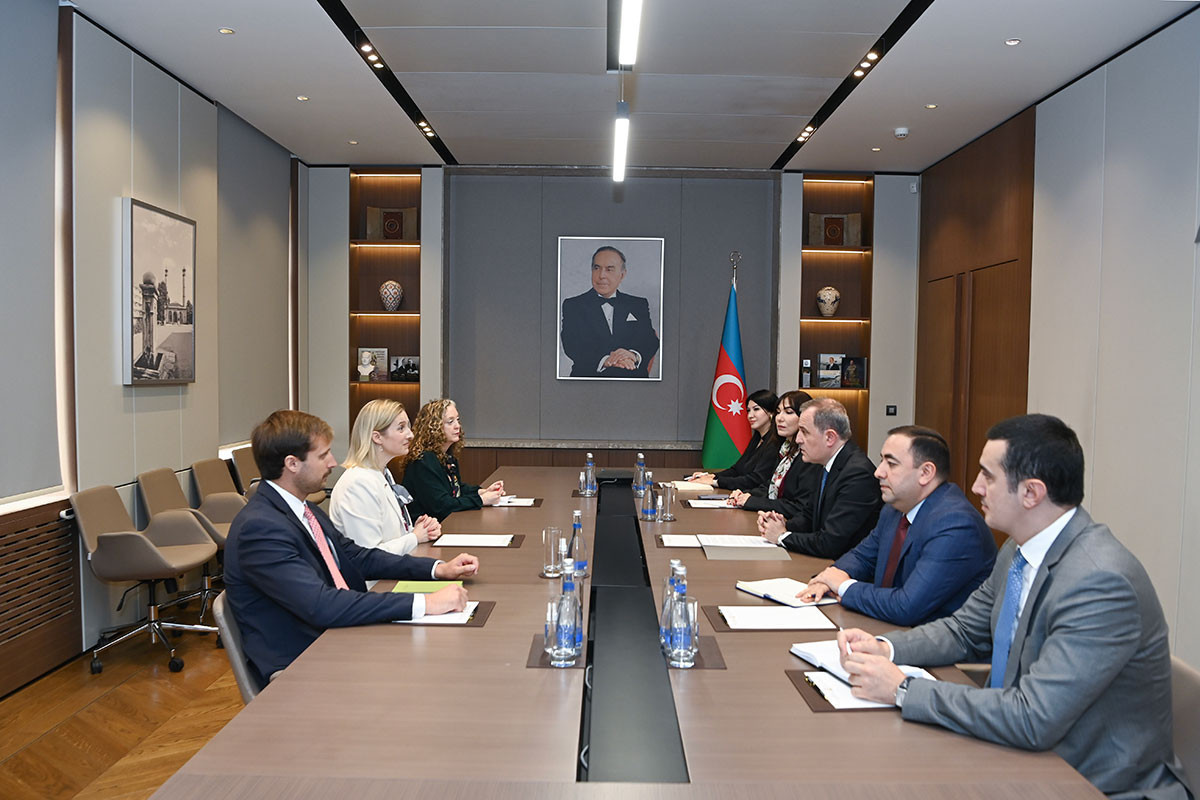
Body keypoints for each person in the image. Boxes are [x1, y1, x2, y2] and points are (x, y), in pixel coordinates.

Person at [839, 414, 1192, 800]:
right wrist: (885, 648)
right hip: (1019, 751)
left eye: (988, 476)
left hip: (1090, 781)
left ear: (1031, 493)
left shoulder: (1100, 581)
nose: (975, 487)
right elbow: (963, 630)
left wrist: (904, 689)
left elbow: (1033, 717)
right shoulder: (1019, 549)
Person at [224, 410, 480, 687]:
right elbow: (321, 605)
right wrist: (426, 603)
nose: (333, 462)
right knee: (435, 674)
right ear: (292, 464)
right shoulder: (260, 528)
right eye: (323, 455)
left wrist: (437, 569)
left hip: (335, 635)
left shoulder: (305, 510)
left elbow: (358, 557)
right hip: (304, 661)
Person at [798, 425, 996, 625]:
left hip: (927, 639)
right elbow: (862, 556)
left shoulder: (956, 525)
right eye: (881, 460)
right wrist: (828, 579)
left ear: (926, 472)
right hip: (886, 626)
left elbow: (906, 606)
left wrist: (843, 586)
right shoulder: (894, 509)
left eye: (891, 464)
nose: (878, 472)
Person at [756, 397, 882, 558]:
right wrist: (780, 524)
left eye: (804, 432)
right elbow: (809, 517)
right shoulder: (826, 463)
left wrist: (781, 536)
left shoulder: (857, 475)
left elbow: (829, 543)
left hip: (844, 566)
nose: (798, 439)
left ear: (830, 437)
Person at [330, 399, 441, 560]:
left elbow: (388, 536)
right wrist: (414, 537)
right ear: (377, 437)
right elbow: (369, 555)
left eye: (408, 427)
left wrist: (417, 530)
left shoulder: (382, 474)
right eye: (401, 428)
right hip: (374, 576)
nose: (410, 435)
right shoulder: (358, 483)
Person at [560, 245, 659, 378]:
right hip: (589, 379)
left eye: (609, 269)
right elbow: (571, 344)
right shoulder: (573, 305)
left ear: (622, 275)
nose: (601, 275)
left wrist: (632, 355)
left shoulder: (638, 304)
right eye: (597, 268)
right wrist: (606, 360)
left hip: (632, 379)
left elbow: (650, 339)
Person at [400, 398, 504, 521]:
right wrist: (481, 500)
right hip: (427, 528)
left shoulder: (446, 456)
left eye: (457, 420)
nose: (457, 426)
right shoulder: (423, 461)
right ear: (433, 427)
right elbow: (441, 505)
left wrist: (482, 492)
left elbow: (456, 489)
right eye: (450, 422)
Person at [724, 390, 816, 516]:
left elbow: (798, 506)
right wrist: (745, 494)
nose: (780, 418)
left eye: (788, 412)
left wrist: (751, 501)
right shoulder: (785, 449)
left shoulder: (809, 456)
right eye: (778, 412)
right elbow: (770, 486)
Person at [688, 390, 781, 491]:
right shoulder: (757, 439)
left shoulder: (774, 443)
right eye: (748, 410)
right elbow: (737, 470)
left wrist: (715, 482)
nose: (750, 415)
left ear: (772, 412)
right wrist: (712, 476)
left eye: (756, 409)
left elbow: (756, 480)